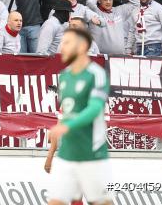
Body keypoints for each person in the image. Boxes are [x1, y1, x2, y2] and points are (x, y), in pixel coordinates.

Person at [44, 27, 111, 205]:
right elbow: (66, 114)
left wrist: (67, 126)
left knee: (101, 202)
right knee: (56, 202)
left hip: (92, 154)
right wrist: (51, 153)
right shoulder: (64, 76)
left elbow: (95, 108)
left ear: (82, 46)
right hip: (67, 155)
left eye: (66, 43)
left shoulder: (96, 74)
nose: (61, 48)